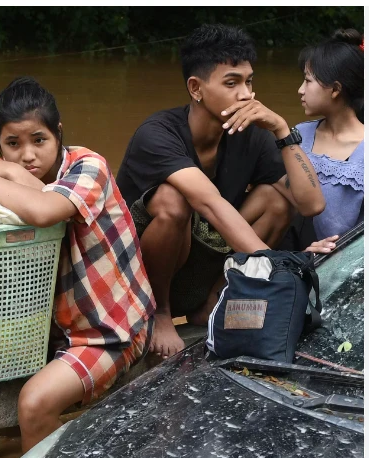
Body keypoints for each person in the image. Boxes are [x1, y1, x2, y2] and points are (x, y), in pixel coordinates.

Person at [0, 76, 156, 452]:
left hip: (112, 331)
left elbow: (43, 209)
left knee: (33, 404)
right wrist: (4, 172)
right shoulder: (8, 171)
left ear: (58, 134)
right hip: (53, 330)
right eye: (13, 144)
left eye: (39, 140)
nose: (28, 155)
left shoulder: (89, 168)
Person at [115, 24, 326, 360]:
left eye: (249, 81)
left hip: (201, 270)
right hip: (140, 279)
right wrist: (275, 267)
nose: (246, 94)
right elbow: (209, 202)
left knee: (276, 200)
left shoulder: (251, 135)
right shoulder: (157, 134)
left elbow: (311, 203)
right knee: (173, 198)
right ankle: (161, 314)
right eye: (232, 83)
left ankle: (215, 303)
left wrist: (281, 130)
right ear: (196, 88)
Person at [280, 28, 364, 253]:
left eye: (307, 81)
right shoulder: (298, 135)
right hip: (293, 257)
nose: (300, 90)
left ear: (335, 89)